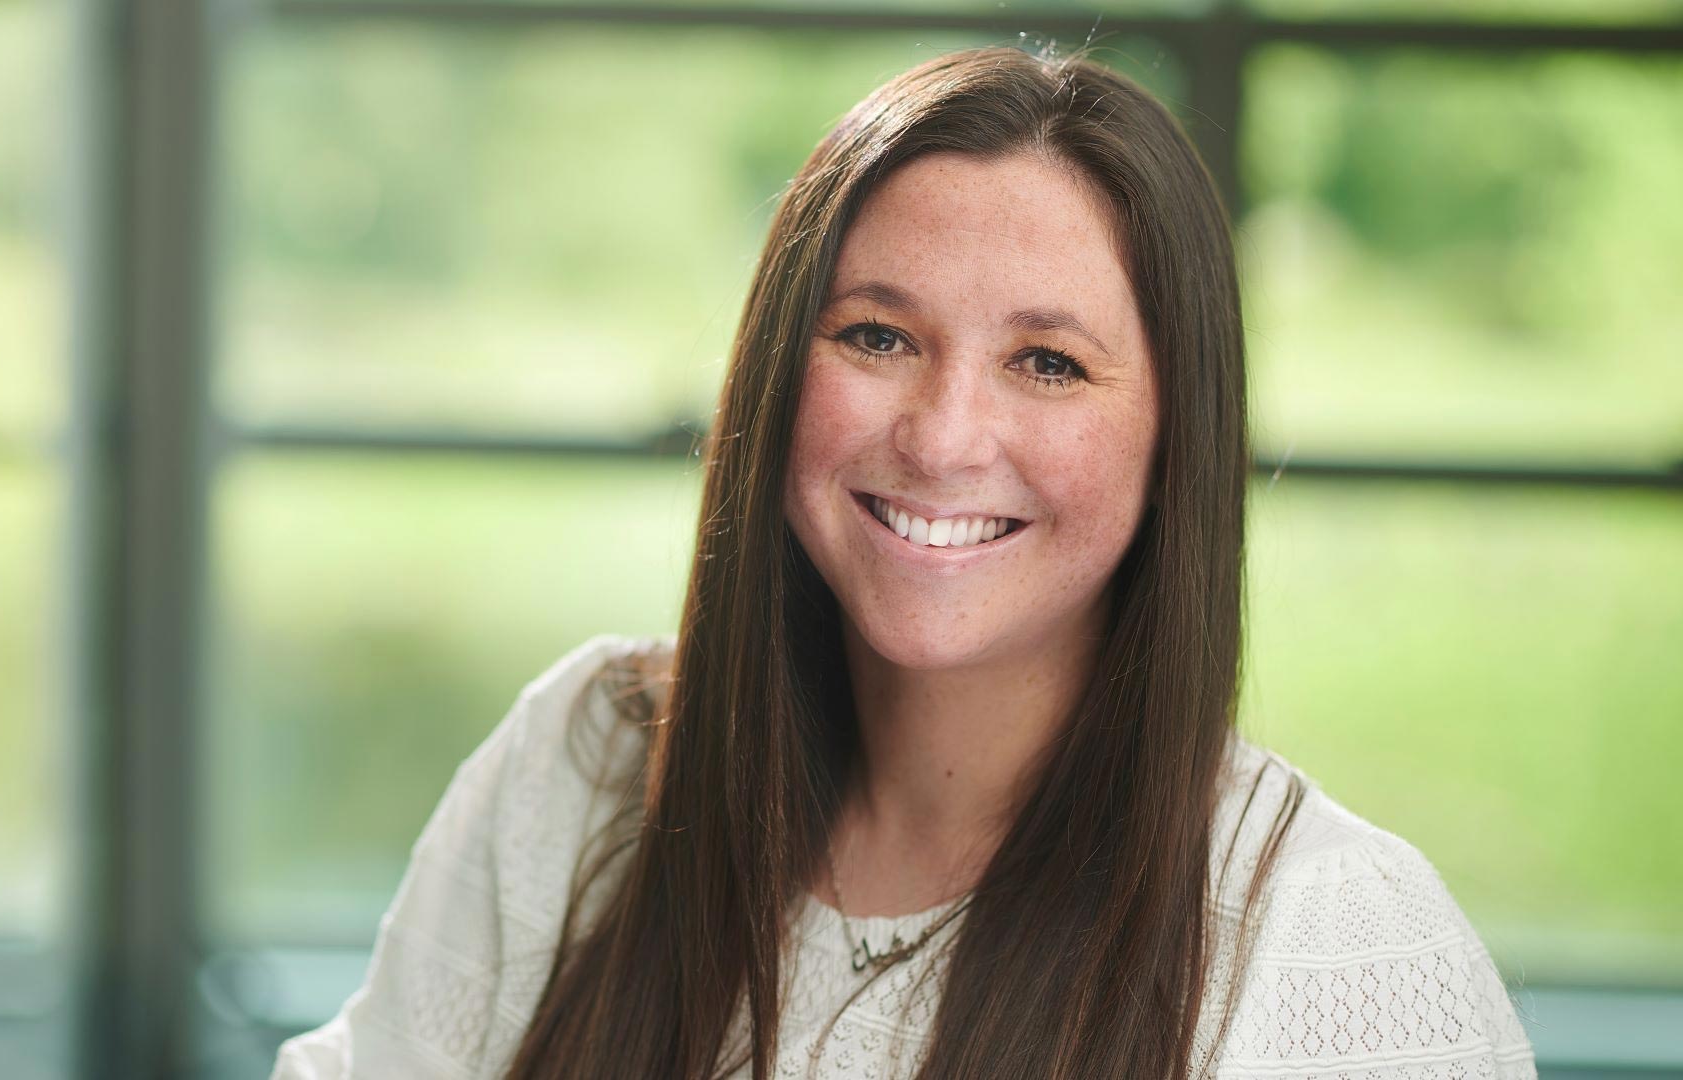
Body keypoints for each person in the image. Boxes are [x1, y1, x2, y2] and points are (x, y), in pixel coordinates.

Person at [270, 45, 1537, 1079]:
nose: (941, 437)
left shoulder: (1333, 938)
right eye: (877, 336)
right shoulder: (585, 765)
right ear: (778, 374)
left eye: (1047, 362)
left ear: (1178, 437)